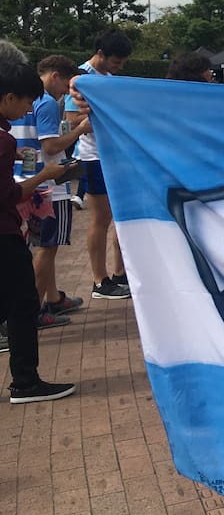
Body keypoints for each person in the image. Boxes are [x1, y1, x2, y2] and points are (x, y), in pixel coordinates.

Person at [0, 61, 76, 403]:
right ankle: (26, 382)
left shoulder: (4, 139)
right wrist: (44, 176)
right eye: (26, 101)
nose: (29, 108)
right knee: (23, 305)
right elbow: (8, 195)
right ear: (9, 97)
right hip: (4, 234)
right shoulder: (2, 140)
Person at [13, 56, 90, 324]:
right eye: (66, 86)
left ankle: (54, 298)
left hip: (25, 181)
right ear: (55, 76)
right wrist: (80, 129)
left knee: (45, 246)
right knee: (48, 248)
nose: (66, 93)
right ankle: (33, 310)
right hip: (48, 186)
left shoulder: (22, 99)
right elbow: (51, 147)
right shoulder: (44, 102)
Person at [64, 31, 133, 300]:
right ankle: (98, 280)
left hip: (114, 157)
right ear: (101, 53)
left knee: (118, 216)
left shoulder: (108, 80)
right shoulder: (81, 79)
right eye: (116, 62)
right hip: (94, 157)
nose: (120, 67)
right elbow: (72, 121)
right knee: (100, 219)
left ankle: (118, 274)